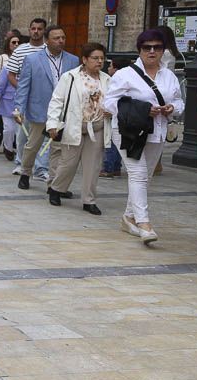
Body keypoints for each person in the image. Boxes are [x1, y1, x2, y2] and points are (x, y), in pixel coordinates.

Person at [104, 30, 183, 245]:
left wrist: (171, 108)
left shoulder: (169, 75)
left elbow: (180, 102)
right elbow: (109, 103)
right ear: (139, 50)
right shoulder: (125, 74)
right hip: (128, 132)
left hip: (156, 131)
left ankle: (128, 217)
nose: (152, 51)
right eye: (147, 47)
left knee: (145, 177)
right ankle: (144, 223)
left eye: (157, 47)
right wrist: (142, 110)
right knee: (138, 174)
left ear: (163, 50)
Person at [46, 42, 112, 213]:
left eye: (102, 59)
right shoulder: (70, 77)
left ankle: (89, 200)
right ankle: (56, 189)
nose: (99, 62)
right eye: (95, 58)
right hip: (74, 126)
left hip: (97, 128)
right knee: (68, 163)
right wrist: (52, 124)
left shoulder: (107, 79)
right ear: (84, 59)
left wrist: (112, 111)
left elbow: (114, 101)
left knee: (93, 166)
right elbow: (57, 101)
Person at [13, 26, 78, 191]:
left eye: (63, 37)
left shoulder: (73, 60)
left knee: (57, 149)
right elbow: (23, 86)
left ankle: (53, 184)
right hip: (39, 109)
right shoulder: (33, 59)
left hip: (62, 113)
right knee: (33, 145)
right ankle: (26, 172)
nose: (60, 41)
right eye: (56, 38)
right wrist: (18, 109)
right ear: (47, 40)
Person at [0, 33, 21, 155]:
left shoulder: (27, 66)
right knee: (8, 129)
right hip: (7, 103)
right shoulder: (6, 67)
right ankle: (7, 147)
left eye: (19, 43)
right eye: (14, 42)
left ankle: (19, 154)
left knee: (20, 131)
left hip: (22, 104)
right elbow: (0, 88)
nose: (16, 45)